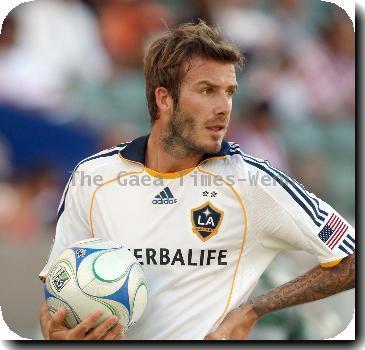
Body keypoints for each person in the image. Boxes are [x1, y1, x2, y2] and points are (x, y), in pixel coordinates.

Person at [38, 21, 355, 340]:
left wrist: (253, 309)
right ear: (164, 99)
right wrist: (56, 334)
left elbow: (353, 255)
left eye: (229, 92)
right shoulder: (93, 178)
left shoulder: (254, 183)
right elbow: (58, 291)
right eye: (207, 91)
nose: (224, 108)